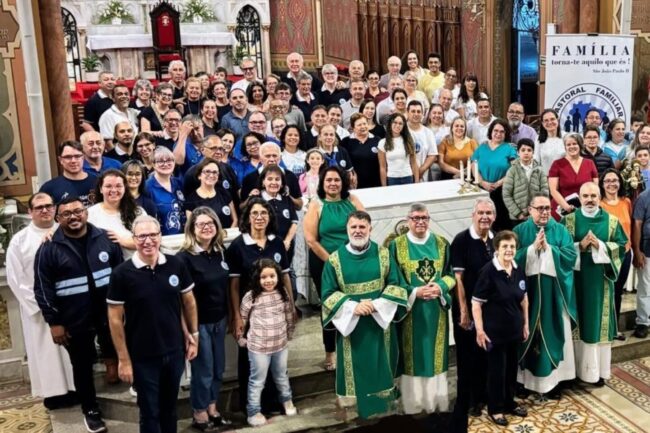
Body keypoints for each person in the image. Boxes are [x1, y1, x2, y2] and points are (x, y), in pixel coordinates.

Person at [35, 196, 123, 432]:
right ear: (58, 218)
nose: (73, 216)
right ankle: (91, 410)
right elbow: (43, 289)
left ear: (86, 212)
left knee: (118, 349)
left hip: (108, 313)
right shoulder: (49, 248)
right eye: (66, 214)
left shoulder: (105, 238)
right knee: (82, 365)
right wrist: (54, 322)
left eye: (78, 211)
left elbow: (121, 275)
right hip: (74, 317)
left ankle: (125, 382)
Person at [108, 215, 198, 433]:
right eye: (142, 236)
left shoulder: (175, 263)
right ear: (134, 239)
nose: (148, 241)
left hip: (174, 350)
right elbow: (114, 319)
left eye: (152, 235)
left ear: (160, 236)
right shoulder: (122, 273)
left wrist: (193, 335)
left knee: (170, 408)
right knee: (149, 411)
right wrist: (123, 359)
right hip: (143, 355)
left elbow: (187, 301)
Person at [320, 211, 408, 418]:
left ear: (370, 229)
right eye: (354, 227)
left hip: (380, 321)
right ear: (347, 229)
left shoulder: (384, 254)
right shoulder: (334, 261)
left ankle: (384, 413)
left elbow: (397, 284)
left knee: (381, 364)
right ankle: (362, 414)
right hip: (351, 324)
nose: (358, 231)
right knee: (358, 368)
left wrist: (377, 304)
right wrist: (352, 307)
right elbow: (327, 293)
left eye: (362, 227)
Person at [6, 193, 75, 409]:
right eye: (38, 207)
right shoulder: (20, 240)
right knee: (46, 353)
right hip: (38, 309)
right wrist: (43, 305)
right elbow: (15, 278)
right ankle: (53, 394)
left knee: (73, 352)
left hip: (70, 303)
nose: (44, 210)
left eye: (48, 206)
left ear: (55, 209)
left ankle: (76, 389)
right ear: (30, 212)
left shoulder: (68, 232)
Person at [226, 198, 294, 414]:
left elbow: (285, 278)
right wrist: (236, 315)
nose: (259, 217)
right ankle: (253, 408)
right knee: (251, 363)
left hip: (274, 313)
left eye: (264, 213)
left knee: (276, 360)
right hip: (250, 315)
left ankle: (274, 403)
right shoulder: (238, 246)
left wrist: (291, 306)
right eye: (254, 213)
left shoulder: (276, 242)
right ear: (247, 217)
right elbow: (234, 285)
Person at [389, 204, 455, 414]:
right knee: (413, 356)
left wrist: (440, 286)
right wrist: (415, 292)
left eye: (424, 218)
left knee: (434, 356)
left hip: (436, 310)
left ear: (429, 219)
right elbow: (392, 279)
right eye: (416, 218)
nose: (420, 222)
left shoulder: (442, 243)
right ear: (408, 220)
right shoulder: (397, 246)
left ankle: (436, 403)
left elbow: (451, 274)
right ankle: (413, 405)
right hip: (411, 311)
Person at [560, 182, 627, 386]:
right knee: (575, 322)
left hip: (600, 283)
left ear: (600, 197)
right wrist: (579, 246)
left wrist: (600, 246)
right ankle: (572, 373)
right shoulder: (568, 220)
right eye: (585, 196)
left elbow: (622, 247)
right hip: (575, 282)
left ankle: (596, 372)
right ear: (579, 198)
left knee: (596, 325)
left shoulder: (612, 222)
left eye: (593, 196)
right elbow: (560, 249)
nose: (589, 200)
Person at [513, 194, 577, 398]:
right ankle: (523, 382)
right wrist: (531, 249)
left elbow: (570, 257)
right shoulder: (519, 231)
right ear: (530, 210)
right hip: (527, 295)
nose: (544, 212)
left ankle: (555, 382)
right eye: (539, 208)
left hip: (554, 295)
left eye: (547, 208)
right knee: (526, 335)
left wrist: (548, 250)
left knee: (554, 332)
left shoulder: (560, 229)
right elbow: (509, 257)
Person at [304, 166, 365, 369]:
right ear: (322, 182)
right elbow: (311, 240)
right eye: (328, 180)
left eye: (337, 180)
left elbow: (364, 227)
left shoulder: (352, 200)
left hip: (352, 261)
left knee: (354, 303)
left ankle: (354, 347)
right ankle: (330, 352)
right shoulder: (317, 204)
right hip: (324, 262)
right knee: (331, 306)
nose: (333, 184)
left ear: (343, 182)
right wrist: (333, 261)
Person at [176, 207, 231, 430]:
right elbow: (181, 300)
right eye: (201, 224)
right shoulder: (184, 258)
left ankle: (212, 407)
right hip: (199, 324)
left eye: (211, 223)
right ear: (192, 229)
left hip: (220, 319)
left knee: (218, 368)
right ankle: (199, 412)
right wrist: (188, 331)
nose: (207, 227)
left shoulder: (219, 252)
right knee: (204, 369)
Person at [472, 230, 529, 427]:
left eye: (512, 246)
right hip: (494, 333)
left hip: (514, 331)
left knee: (511, 369)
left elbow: (524, 298)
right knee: (497, 371)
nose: (509, 250)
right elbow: (476, 303)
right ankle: (495, 409)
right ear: (497, 249)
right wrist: (480, 331)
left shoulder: (517, 268)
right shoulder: (488, 271)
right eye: (505, 246)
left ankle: (509, 402)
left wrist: (526, 324)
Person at [449, 198, 496, 431]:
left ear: (494, 216)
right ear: (473, 215)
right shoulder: (461, 240)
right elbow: (458, 279)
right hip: (466, 310)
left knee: (485, 355)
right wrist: (464, 311)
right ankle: (468, 401)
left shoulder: (495, 239)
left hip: (489, 311)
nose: (484, 217)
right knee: (467, 358)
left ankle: (484, 396)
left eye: (488, 213)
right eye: (481, 213)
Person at [238, 259, 297, 426]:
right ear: (257, 279)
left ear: (278, 276)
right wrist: (241, 338)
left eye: (272, 276)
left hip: (280, 345)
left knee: (281, 376)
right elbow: (242, 319)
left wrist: (289, 334)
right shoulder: (250, 297)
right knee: (257, 381)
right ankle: (253, 411)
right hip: (258, 348)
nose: (268, 280)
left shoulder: (282, 293)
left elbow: (289, 316)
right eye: (264, 277)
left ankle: (287, 401)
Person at [600, 169, 633, 341]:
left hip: (626, 253)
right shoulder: (599, 204)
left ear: (620, 183)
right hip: (607, 254)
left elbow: (631, 226)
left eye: (615, 180)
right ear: (602, 184)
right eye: (607, 181)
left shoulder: (626, 202)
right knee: (607, 290)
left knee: (618, 290)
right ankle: (604, 327)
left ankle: (615, 329)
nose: (611, 184)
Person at [88, 169, 144, 259]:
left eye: (118, 186)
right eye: (108, 186)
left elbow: (149, 241)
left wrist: (122, 241)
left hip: (135, 266)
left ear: (125, 188)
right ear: (101, 189)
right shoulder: (90, 214)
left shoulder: (138, 212)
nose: (114, 190)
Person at [472, 119, 517, 231]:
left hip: (502, 190)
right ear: (491, 131)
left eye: (502, 131)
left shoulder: (509, 148)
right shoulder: (482, 147)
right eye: (495, 130)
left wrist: (498, 183)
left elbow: (514, 168)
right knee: (482, 222)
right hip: (482, 189)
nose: (498, 133)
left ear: (506, 134)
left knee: (501, 223)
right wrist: (482, 182)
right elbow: (473, 165)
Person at [548, 133, 599, 220]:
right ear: (565, 147)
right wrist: (566, 207)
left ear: (580, 145)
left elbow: (595, 188)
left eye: (574, 143)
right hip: (562, 210)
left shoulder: (590, 163)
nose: (572, 146)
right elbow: (553, 190)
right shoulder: (557, 164)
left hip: (586, 209)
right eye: (568, 144)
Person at [502, 139, 549, 225]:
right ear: (518, 152)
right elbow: (506, 195)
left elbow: (545, 192)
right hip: (517, 218)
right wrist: (518, 214)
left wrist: (538, 210)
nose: (526, 153)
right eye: (523, 150)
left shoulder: (539, 170)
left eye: (529, 150)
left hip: (537, 215)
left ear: (533, 152)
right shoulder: (512, 170)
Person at [40, 140, 98, 207]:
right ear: (60, 160)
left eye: (77, 156)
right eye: (68, 157)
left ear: (83, 158)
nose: (73, 161)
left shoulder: (98, 182)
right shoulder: (49, 188)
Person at [183, 158, 237, 228]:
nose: (211, 175)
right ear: (199, 175)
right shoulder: (191, 200)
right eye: (207, 171)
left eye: (215, 172)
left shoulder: (224, 193)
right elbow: (191, 227)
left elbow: (235, 220)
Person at [145, 146, 186, 235]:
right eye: (160, 161)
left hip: (184, 238)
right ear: (153, 164)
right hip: (162, 240)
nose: (165, 164)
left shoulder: (179, 183)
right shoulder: (147, 187)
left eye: (169, 160)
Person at [340, 113, 382, 189]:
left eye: (364, 123)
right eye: (359, 125)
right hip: (355, 185)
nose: (363, 126)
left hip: (376, 184)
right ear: (353, 127)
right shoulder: (346, 142)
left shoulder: (377, 140)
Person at [378, 113, 419, 186]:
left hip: (408, 177)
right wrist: (384, 186)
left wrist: (416, 182)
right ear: (390, 123)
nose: (397, 125)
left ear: (403, 126)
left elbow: (414, 163)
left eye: (400, 123)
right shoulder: (382, 143)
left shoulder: (408, 141)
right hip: (392, 178)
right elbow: (382, 167)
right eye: (395, 122)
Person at [632, 185, 650, 339]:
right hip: (647, 249)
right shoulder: (644, 197)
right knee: (645, 288)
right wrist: (637, 251)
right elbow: (637, 224)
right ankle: (643, 322)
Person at [406, 100, 438, 181]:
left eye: (418, 111)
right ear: (407, 112)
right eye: (413, 111)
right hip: (405, 175)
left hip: (423, 176)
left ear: (422, 114)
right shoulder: (402, 130)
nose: (416, 114)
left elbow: (432, 155)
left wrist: (421, 171)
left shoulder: (428, 132)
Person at [534, 109, 564, 175]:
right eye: (546, 120)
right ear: (542, 123)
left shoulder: (566, 137)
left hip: (564, 178)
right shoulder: (538, 140)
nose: (550, 122)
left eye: (552, 119)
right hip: (545, 179)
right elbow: (536, 161)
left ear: (557, 120)